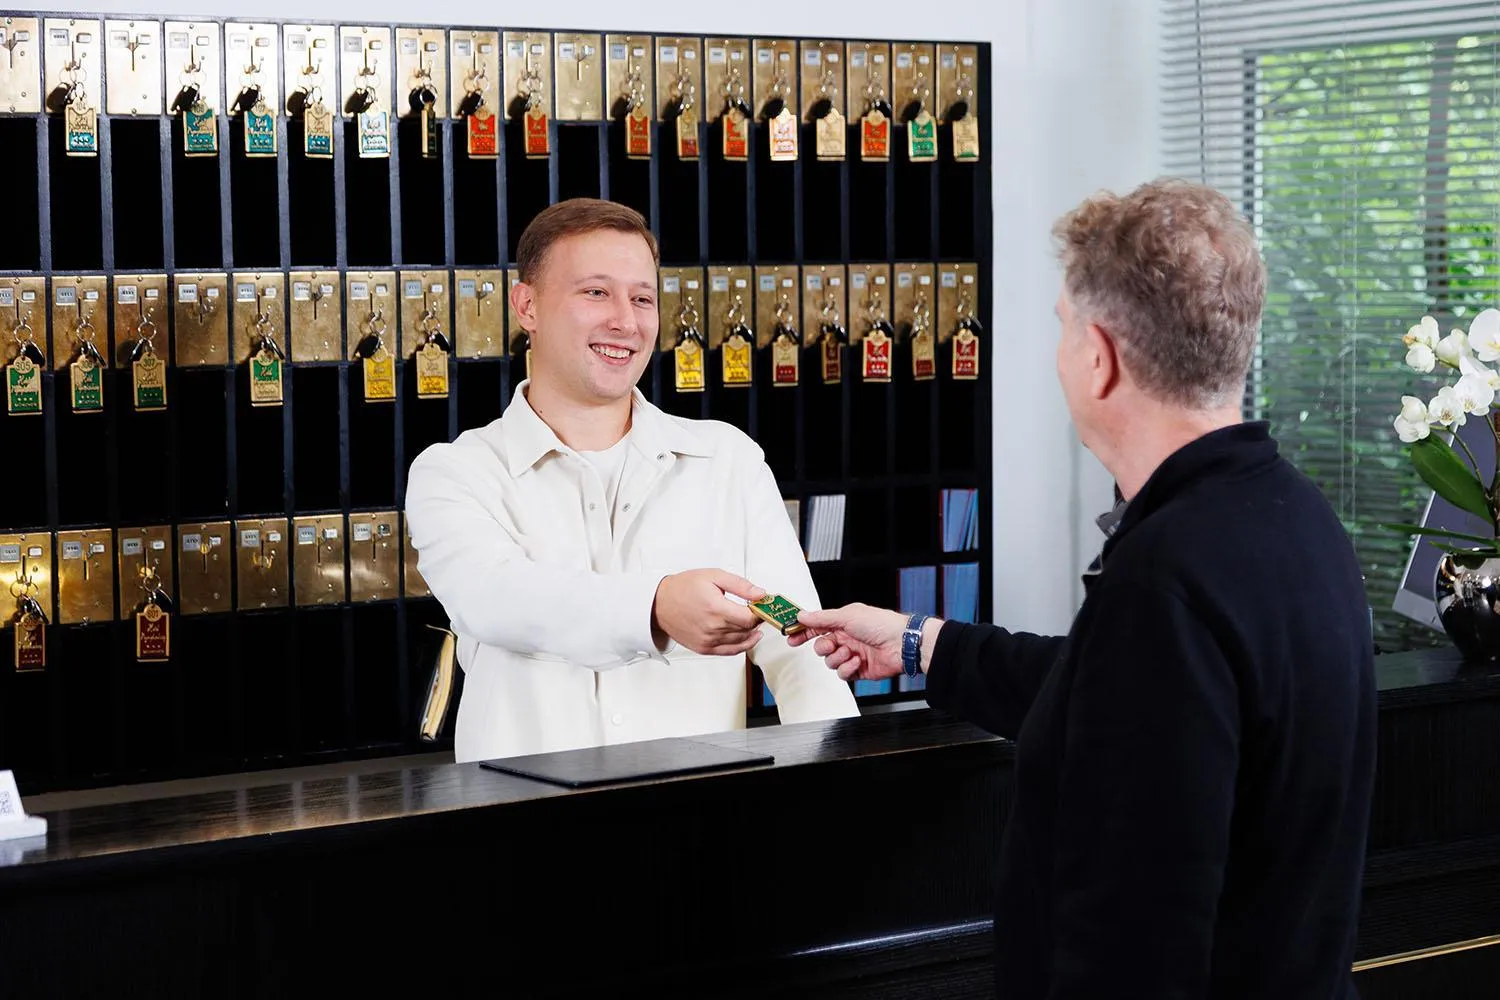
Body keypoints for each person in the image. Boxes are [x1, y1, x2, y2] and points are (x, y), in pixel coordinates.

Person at [791, 179, 1376, 999]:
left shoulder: (1166, 577)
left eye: (1063, 330)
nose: (1060, 353)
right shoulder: (1292, 517)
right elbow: (1126, 697)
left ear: (1099, 358)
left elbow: (1136, 935)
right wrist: (924, 643)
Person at [405, 198, 857, 763]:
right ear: (527, 306)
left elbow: (797, 648)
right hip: (522, 829)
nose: (626, 320)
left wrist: (841, 786)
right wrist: (657, 606)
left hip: (698, 821)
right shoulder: (455, 473)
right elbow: (500, 599)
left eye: (642, 298)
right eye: (596, 292)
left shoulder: (727, 461)